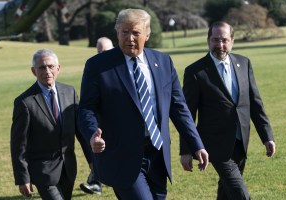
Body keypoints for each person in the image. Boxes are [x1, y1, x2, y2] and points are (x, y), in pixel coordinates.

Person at [78, 8, 209, 200]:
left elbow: (179, 108)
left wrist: (196, 145)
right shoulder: (98, 66)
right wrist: (92, 135)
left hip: (158, 154)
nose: (129, 38)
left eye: (136, 33)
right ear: (117, 33)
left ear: (147, 35)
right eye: (125, 32)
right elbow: (86, 108)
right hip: (122, 156)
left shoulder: (163, 62)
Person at [179, 21, 276, 200]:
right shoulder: (195, 72)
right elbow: (187, 114)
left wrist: (267, 136)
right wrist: (186, 150)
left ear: (232, 41)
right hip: (214, 144)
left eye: (224, 40)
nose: (220, 45)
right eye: (215, 40)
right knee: (240, 194)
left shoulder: (244, 63)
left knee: (226, 191)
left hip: (240, 141)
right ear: (208, 41)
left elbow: (255, 103)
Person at [10, 49, 92, 200]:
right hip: (43, 172)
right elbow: (18, 145)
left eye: (51, 66)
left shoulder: (70, 92)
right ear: (34, 71)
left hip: (68, 169)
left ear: (58, 68)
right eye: (42, 67)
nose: (47, 71)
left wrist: (92, 160)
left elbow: (80, 131)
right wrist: (23, 178)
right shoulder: (24, 102)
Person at [79, 37, 114, 195]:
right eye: (99, 51)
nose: (101, 54)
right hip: (100, 121)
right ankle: (95, 182)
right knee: (99, 149)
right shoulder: (94, 68)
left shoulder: (122, 66)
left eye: (105, 51)